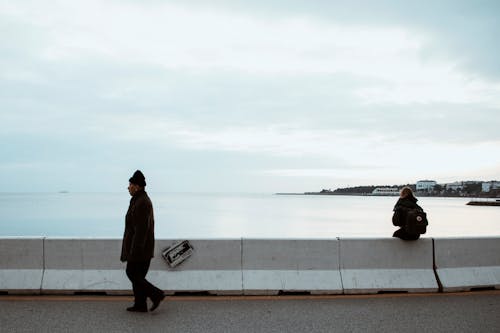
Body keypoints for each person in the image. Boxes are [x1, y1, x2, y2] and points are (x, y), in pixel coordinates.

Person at [121, 170, 165, 312]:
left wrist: (135, 251)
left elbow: (141, 231)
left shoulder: (142, 203)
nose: (128, 187)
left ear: (137, 186)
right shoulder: (137, 200)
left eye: (130, 184)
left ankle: (156, 294)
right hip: (138, 248)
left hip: (140, 249)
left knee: (132, 273)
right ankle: (140, 304)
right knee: (137, 276)